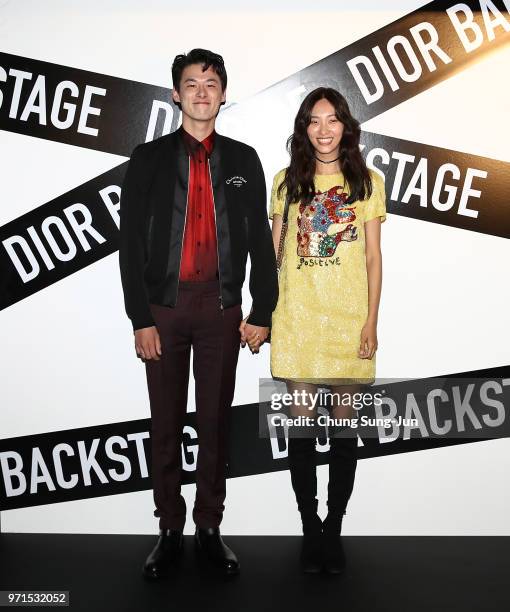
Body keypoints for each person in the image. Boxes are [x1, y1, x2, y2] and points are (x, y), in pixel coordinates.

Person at [118, 48, 278, 579]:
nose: (202, 92)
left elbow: (258, 239)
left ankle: (209, 527)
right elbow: (128, 245)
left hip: (220, 311)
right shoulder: (148, 158)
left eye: (211, 83)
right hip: (163, 311)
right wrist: (140, 318)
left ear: (224, 93)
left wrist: (263, 309)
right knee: (165, 423)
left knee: (213, 422)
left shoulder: (244, 160)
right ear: (176, 94)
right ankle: (169, 528)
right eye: (192, 84)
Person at [267, 87, 386, 574]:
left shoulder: (368, 182)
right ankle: (308, 528)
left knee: (343, 434)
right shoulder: (285, 182)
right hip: (297, 320)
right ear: (304, 128)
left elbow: (374, 257)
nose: (323, 130)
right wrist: (259, 315)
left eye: (332, 120)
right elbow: (271, 258)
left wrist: (371, 321)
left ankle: (333, 527)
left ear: (345, 126)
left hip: (347, 324)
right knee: (300, 434)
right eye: (314, 121)